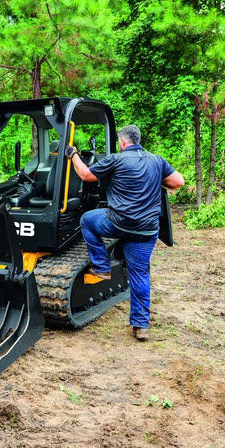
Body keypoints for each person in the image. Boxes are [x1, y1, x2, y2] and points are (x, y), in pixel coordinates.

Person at [66, 125, 184, 341]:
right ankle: (140, 326)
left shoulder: (116, 160)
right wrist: (158, 179)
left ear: (122, 142)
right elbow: (178, 182)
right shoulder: (156, 160)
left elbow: (84, 174)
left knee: (87, 220)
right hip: (147, 230)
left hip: (119, 224)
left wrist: (73, 154)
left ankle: (101, 267)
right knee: (139, 274)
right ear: (138, 140)